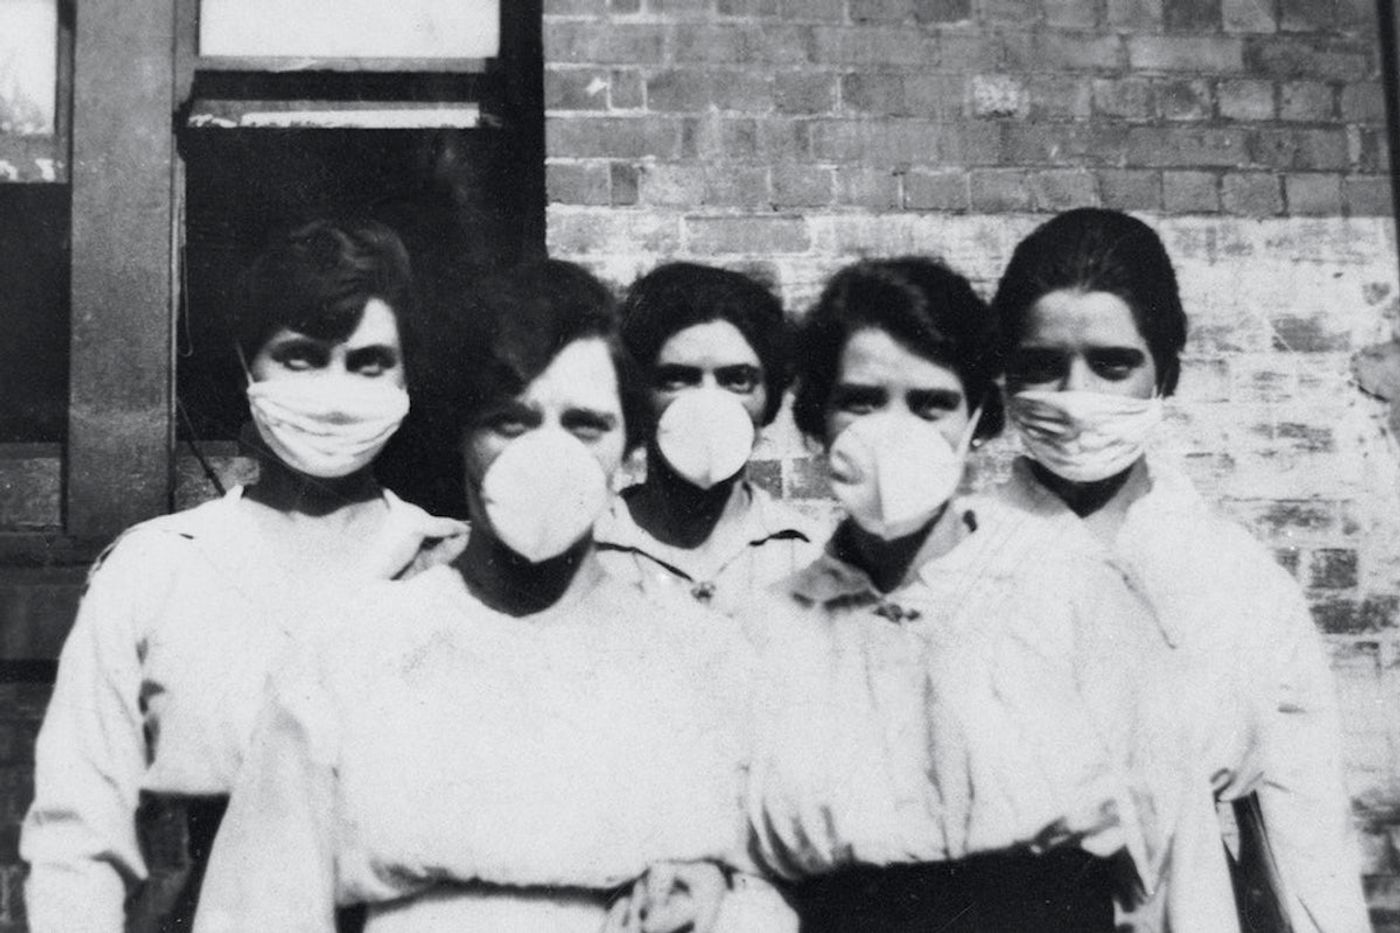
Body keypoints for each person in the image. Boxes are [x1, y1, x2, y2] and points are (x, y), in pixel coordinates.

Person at [193, 260, 794, 933]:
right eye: (510, 422)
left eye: (586, 424)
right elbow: (256, 908)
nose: (549, 453)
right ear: (460, 433)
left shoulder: (702, 659)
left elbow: (767, 889)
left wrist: (719, 892)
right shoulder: (353, 650)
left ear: (629, 443)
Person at [741, 256, 1218, 932]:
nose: (894, 431)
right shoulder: (771, 625)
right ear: (818, 420)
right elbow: (747, 868)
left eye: (932, 403)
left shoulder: (1065, 585)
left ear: (976, 422)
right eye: (862, 400)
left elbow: (1172, 847)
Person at [21, 219, 468, 933]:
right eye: (301, 357)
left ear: (408, 372)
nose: (335, 392)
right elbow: (78, 836)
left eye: (369, 362)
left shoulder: (451, 568)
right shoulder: (159, 568)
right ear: (246, 367)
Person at [988, 206, 1371, 932]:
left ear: (1166, 373)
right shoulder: (956, 566)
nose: (1077, 398)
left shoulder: (1237, 580)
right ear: (1005, 377)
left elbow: (1308, 842)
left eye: (1112, 364)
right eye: (1043, 365)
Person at [594, 262, 819, 616]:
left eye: (737, 379)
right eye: (678, 378)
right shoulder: (588, 555)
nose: (709, 403)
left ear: (769, 398)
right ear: (638, 393)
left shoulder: (810, 554)